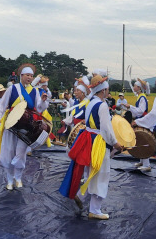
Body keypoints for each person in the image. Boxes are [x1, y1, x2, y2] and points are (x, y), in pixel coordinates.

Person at [59, 72, 122, 220]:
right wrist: (115, 144)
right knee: (101, 174)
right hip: (99, 141)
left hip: (88, 139)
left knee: (90, 171)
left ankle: (83, 196)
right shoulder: (102, 105)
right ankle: (95, 209)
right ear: (104, 90)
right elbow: (106, 129)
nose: (108, 91)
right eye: (107, 89)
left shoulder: (91, 102)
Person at [0, 63, 49, 190]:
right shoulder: (12, 89)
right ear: (21, 76)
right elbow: (2, 105)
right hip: (11, 124)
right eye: (27, 75)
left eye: (31, 76)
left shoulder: (34, 91)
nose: (29, 77)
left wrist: (43, 101)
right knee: (8, 152)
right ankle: (9, 179)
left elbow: (39, 109)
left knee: (21, 153)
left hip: (26, 125)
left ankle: (17, 177)